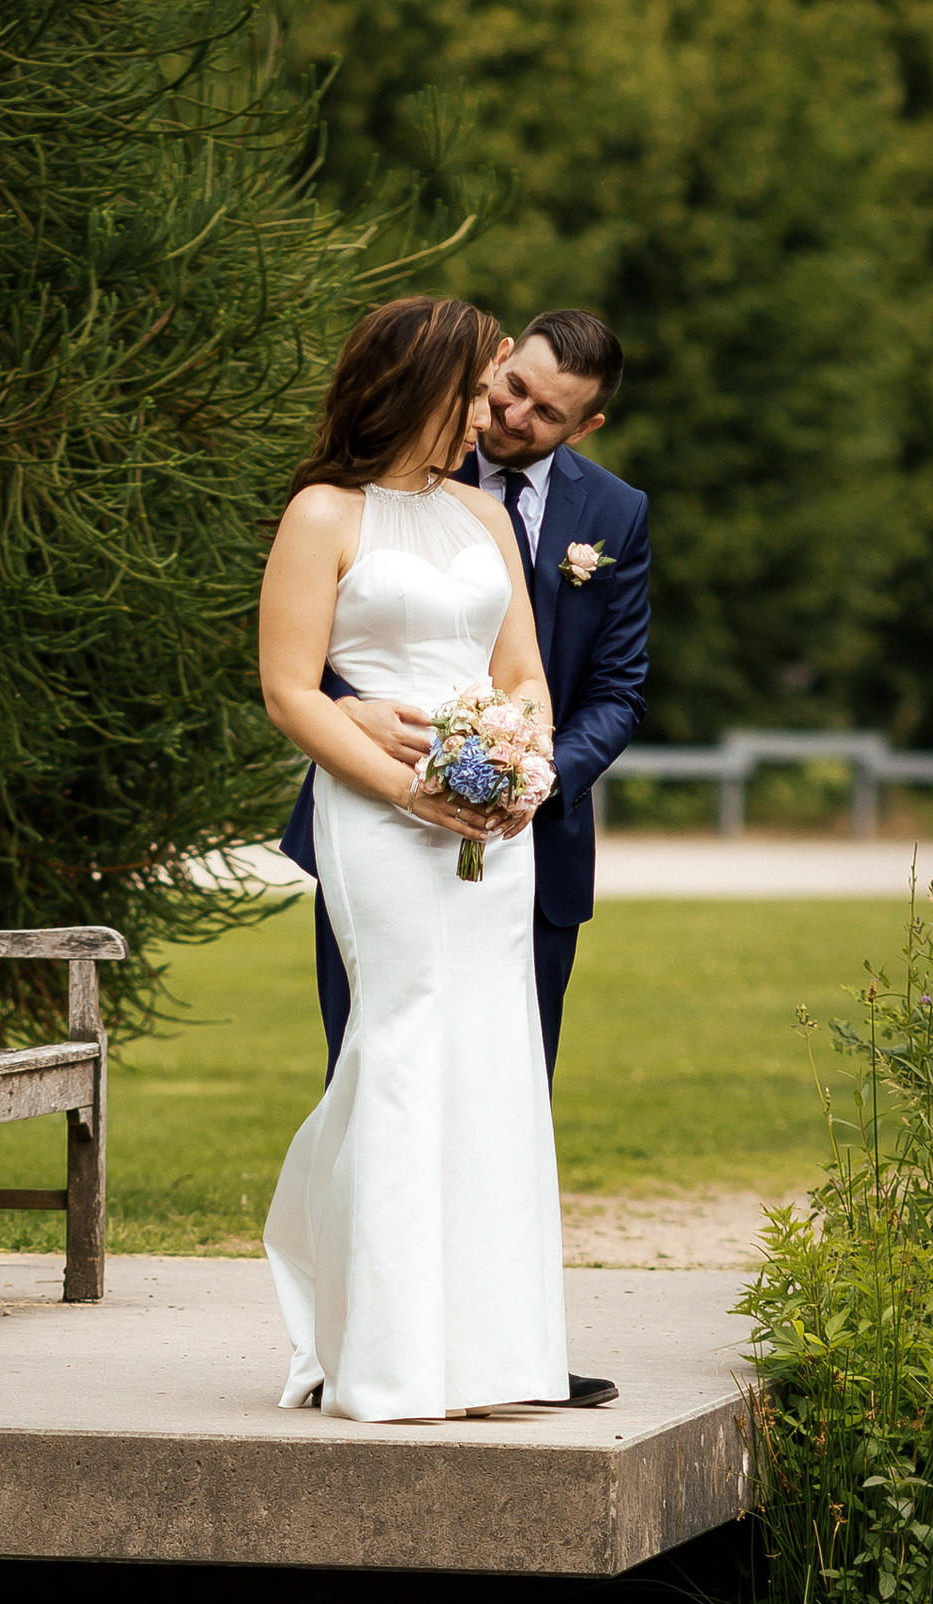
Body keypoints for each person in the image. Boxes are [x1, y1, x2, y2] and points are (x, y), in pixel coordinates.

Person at [258, 296, 578, 1425]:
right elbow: (291, 690)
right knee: (399, 1043)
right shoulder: (323, 513)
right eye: (482, 386)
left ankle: (490, 1358)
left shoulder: (482, 516)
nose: (494, 408)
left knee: (490, 1057)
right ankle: (385, 1357)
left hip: (494, 827)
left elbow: (522, 669)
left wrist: (520, 755)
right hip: (379, 815)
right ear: (421, 383)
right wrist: (412, 788)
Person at [280, 311, 651, 1089]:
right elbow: (305, 652)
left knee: (508, 1076)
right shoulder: (343, 502)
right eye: (508, 389)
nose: (507, 417)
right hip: (377, 807)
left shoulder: (614, 514)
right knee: (375, 1063)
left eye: (546, 412)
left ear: (585, 427)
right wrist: (347, 708)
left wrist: (524, 773)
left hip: (530, 835)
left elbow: (614, 689)